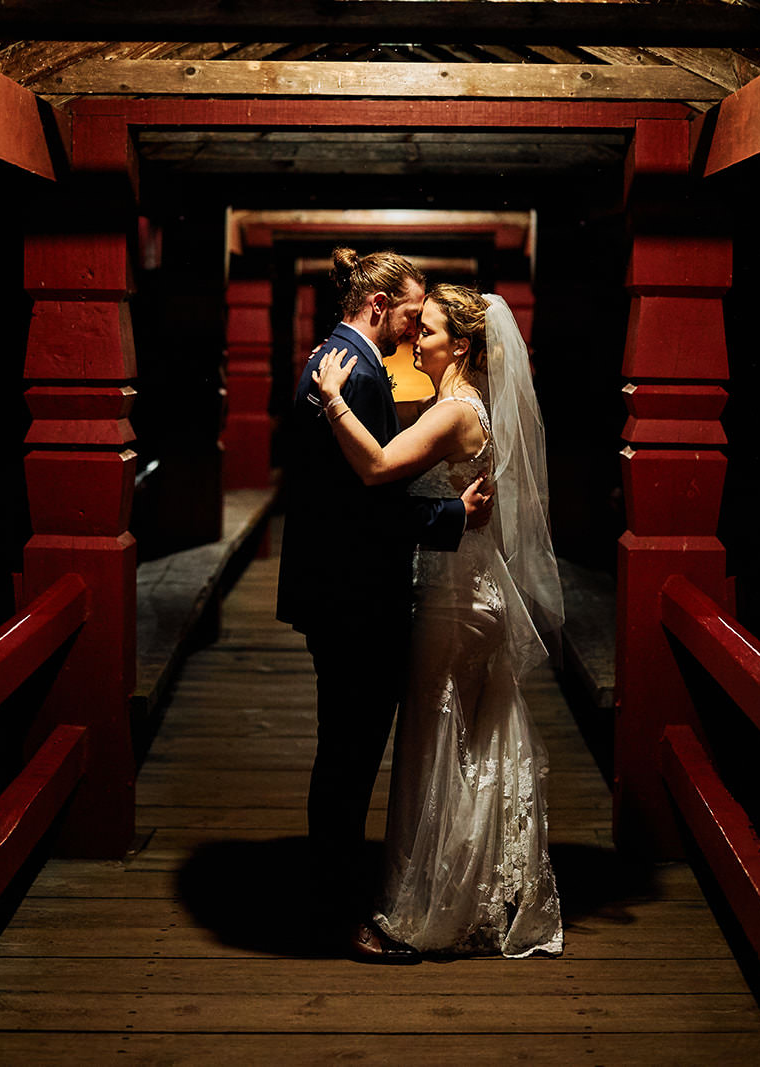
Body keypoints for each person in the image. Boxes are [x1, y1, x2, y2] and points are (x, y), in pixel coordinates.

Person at [312, 284, 564, 958]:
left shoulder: (456, 411)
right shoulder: (459, 404)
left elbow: (379, 466)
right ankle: (473, 882)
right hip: (467, 589)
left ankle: (436, 896)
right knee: (461, 741)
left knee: (437, 738)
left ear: (463, 344)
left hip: (455, 601)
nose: (413, 340)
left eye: (426, 330)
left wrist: (332, 397)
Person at [276, 249, 493, 964]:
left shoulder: (330, 360)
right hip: (355, 596)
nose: (414, 324)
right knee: (348, 756)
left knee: (342, 751)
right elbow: (364, 502)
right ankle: (338, 914)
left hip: (330, 589)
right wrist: (448, 518)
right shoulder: (356, 372)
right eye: (410, 310)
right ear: (379, 307)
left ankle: (327, 897)